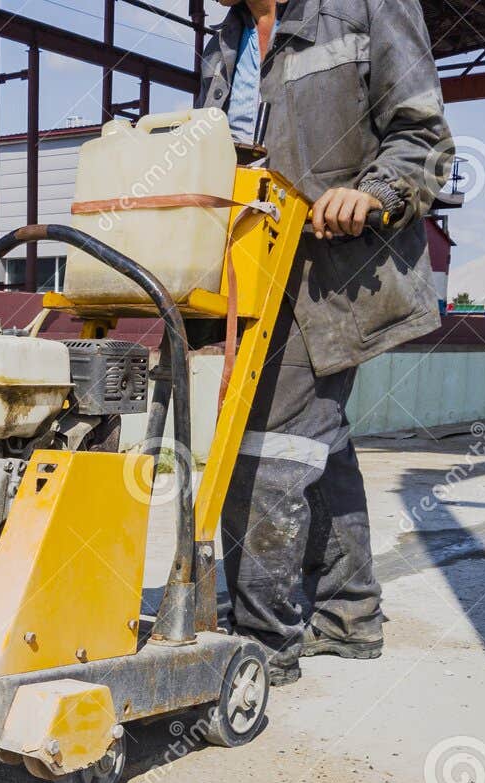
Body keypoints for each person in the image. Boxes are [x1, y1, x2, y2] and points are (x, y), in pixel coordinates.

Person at [197, 0, 452, 682]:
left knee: (265, 451)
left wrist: (374, 193)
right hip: (252, 283)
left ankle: (262, 644)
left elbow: (423, 138)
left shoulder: (366, 7)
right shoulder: (223, 43)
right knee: (317, 442)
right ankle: (348, 615)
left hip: (335, 277)